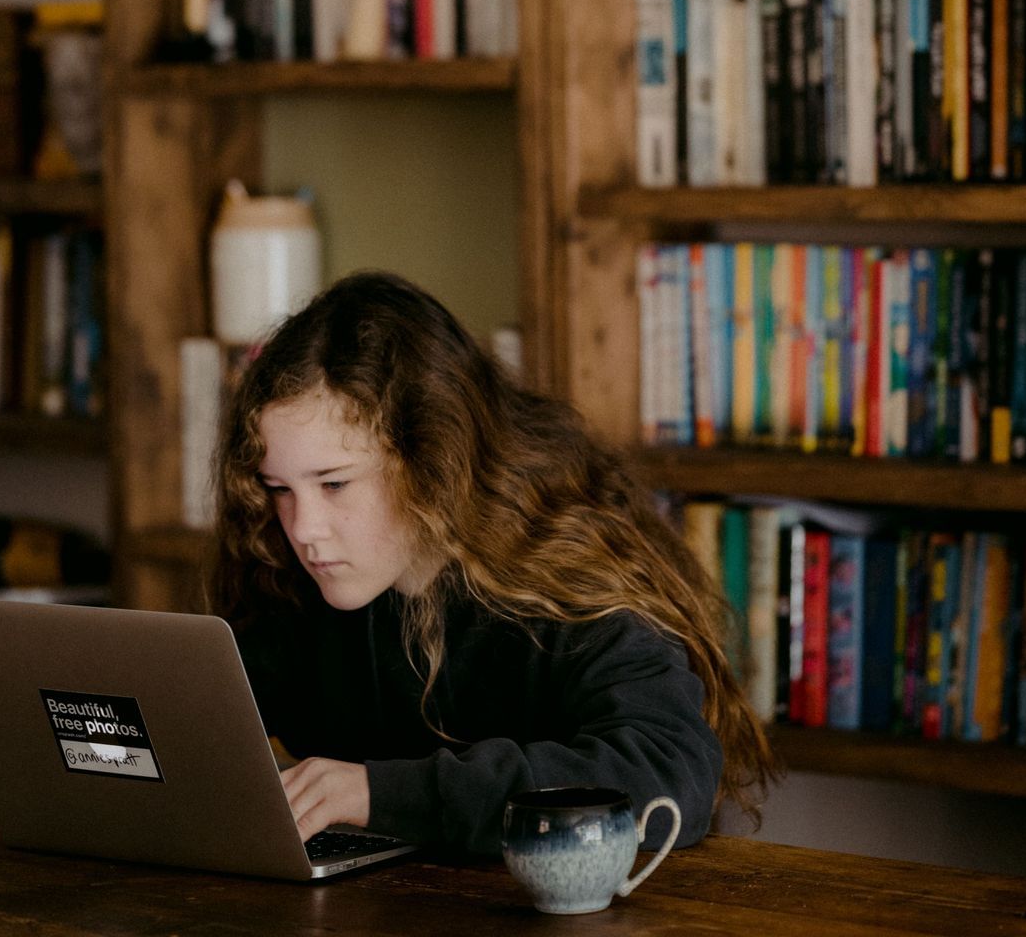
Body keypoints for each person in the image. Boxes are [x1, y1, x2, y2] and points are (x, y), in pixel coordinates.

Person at [211, 270, 776, 855]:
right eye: (279, 488)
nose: (302, 528)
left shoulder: (568, 573)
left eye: (334, 484)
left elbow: (669, 774)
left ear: (432, 457)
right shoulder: (288, 575)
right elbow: (198, 729)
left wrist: (377, 794)